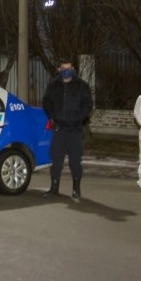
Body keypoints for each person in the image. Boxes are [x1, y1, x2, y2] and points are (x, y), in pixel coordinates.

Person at [42, 59, 94, 199]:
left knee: (75, 161)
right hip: (59, 129)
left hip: (75, 129)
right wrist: (52, 117)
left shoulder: (81, 86)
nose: (66, 71)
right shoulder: (53, 85)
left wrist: (78, 118)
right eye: (64, 68)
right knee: (56, 160)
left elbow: (87, 104)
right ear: (59, 69)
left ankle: (76, 189)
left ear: (73, 69)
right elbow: (46, 102)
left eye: (69, 68)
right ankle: (54, 188)